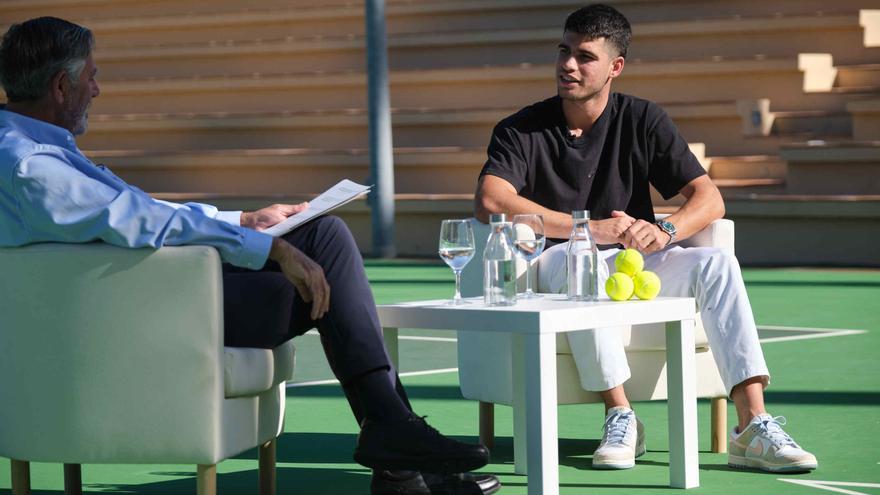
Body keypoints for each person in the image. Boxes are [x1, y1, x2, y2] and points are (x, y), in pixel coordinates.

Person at [0, 17, 501, 495]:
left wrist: (244, 221)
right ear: (61, 89)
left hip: (137, 305)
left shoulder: (28, 152)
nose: (98, 89)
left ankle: (397, 450)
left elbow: (136, 211)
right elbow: (144, 220)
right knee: (322, 254)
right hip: (148, 323)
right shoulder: (33, 167)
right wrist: (272, 247)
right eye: (92, 77)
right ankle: (395, 446)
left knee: (322, 236)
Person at [474, 4, 818, 474]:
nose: (568, 64)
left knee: (718, 263)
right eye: (564, 51)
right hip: (552, 265)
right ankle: (621, 416)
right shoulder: (521, 128)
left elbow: (709, 199)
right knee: (582, 260)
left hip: (635, 263)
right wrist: (587, 229)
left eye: (584, 56)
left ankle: (753, 425)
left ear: (615, 67)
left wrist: (664, 230)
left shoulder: (643, 119)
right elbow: (492, 201)